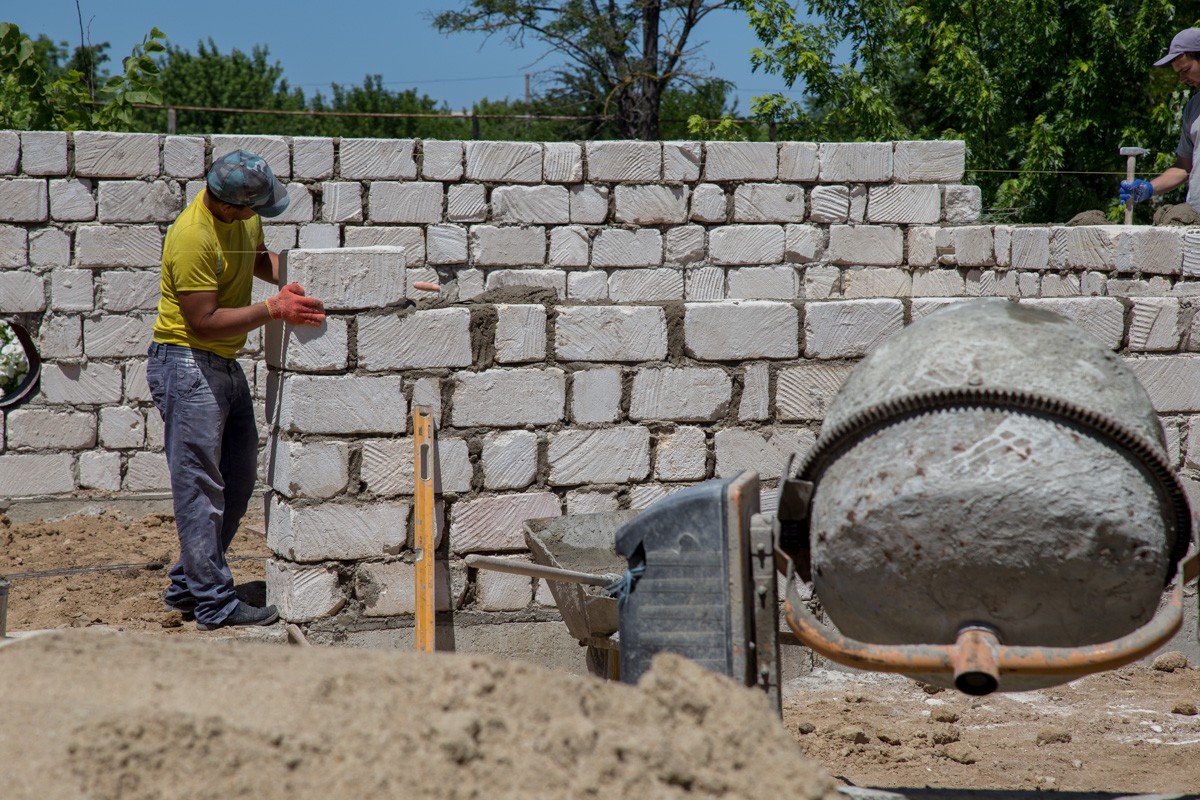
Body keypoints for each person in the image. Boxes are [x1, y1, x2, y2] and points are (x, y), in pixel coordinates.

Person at [147, 149, 325, 630]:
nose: (256, 216)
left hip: (223, 364)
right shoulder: (192, 237)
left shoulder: (242, 221)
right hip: (186, 363)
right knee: (200, 487)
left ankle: (189, 583)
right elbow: (202, 323)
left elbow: (259, 260)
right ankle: (214, 605)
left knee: (239, 478)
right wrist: (274, 310)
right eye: (253, 208)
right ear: (230, 204)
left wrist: (317, 277)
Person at [1120, 27, 1200, 213]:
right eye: (1178, 73)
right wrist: (1149, 188)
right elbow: (1183, 167)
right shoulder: (1193, 108)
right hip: (1196, 218)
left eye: (1186, 70)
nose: (1182, 79)